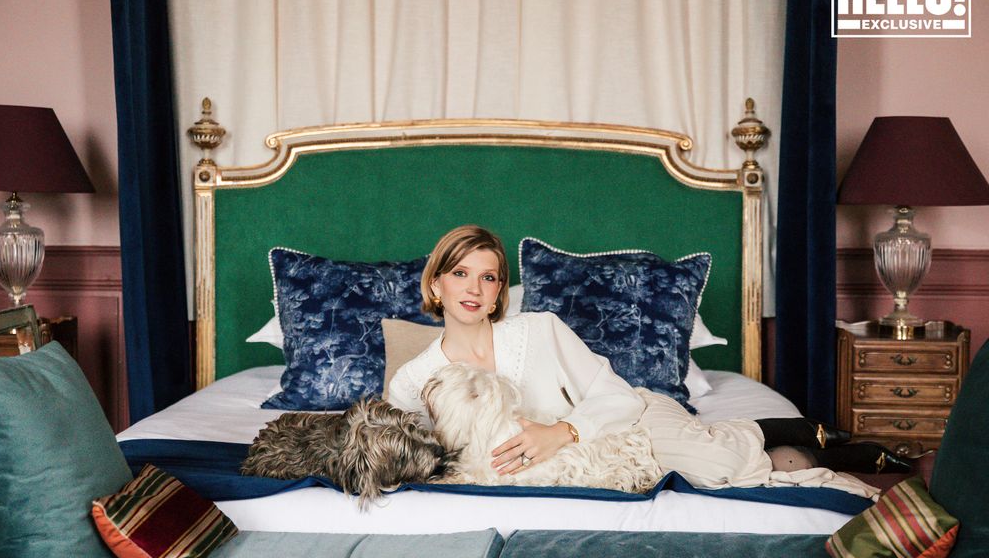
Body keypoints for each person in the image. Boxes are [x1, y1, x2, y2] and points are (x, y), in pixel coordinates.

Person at [388, 225, 910, 487]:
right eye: (460, 273)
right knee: (749, 472)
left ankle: (785, 430)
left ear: (501, 288)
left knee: (716, 464)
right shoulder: (415, 382)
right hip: (580, 471)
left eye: (489, 276)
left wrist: (561, 433)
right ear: (436, 282)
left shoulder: (539, 328)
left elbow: (614, 395)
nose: (474, 288)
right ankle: (816, 449)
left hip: (632, 420)